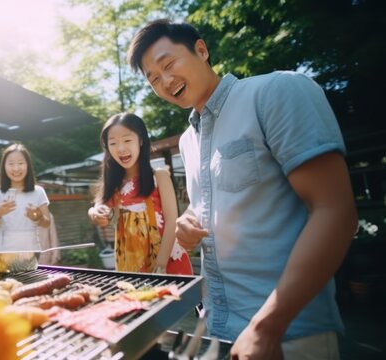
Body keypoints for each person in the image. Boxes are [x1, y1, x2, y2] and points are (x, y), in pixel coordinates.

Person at [126, 19, 357, 359]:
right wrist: (188, 224)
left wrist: (268, 326)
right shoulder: (189, 139)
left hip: (285, 334)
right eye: (153, 79)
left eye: (169, 64)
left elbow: (335, 211)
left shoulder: (277, 91)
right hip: (218, 328)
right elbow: (210, 203)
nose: (165, 82)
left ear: (201, 50)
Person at [87, 113, 192, 275]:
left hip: (165, 260)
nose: (120, 148)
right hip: (130, 262)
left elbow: (172, 220)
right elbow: (100, 209)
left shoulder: (159, 176)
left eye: (127, 140)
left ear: (141, 141)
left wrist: (162, 263)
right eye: (113, 143)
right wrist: (94, 212)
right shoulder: (114, 184)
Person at [0, 143, 51, 251]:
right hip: (5, 252)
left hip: (31, 250)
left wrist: (39, 217)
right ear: (4, 167)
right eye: (11, 164)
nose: (16, 168)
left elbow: (47, 223)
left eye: (20, 163)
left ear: (28, 165)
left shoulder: (38, 191)